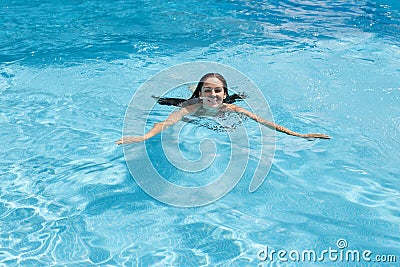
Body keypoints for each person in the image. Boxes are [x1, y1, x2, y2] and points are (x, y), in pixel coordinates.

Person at [116, 73, 330, 145]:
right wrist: (145, 137)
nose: (213, 95)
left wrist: (299, 134)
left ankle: (197, 85)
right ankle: (191, 87)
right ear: (201, 94)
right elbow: (166, 122)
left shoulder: (231, 109)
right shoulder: (190, 110)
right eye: (207, 91)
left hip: (221, 106)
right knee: (168, 101)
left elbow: (266, 122)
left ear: (224, 94)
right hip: (191, 103)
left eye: (218, 91)